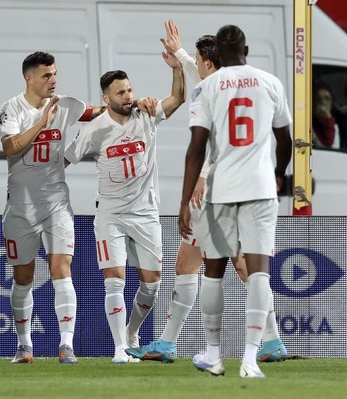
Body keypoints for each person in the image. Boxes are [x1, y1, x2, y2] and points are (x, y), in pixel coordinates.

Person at [127, 20, 287, 364]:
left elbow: (200, 145)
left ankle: (172, 344)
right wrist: (182, 53)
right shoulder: (245, 84)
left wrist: (197, 182)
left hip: (213, 192)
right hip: (251, 189)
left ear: (210, 64)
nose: (195, 66)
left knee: (200, 264)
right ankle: (272, 342)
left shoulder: (209, 90)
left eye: (199, 60)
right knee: (236, 265)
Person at [179, 24, 292, 378]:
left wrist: (184, 201)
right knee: (258, 270)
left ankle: (213, 354)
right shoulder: (270, 81)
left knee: (212, 272)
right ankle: (250, 359)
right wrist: (279, 172)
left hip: (221, 191)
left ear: (220, 55)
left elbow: (196, 147)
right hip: (259, 188)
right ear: (246, 48)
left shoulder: (207, 87)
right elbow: (285, 139)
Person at [64, 46, 186, 363]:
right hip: (111, 215)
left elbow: (177, 99)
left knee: (152, 286)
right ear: (107, 99)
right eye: (121, 92)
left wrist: (176, 67)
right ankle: (119, 349)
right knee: (114, 280)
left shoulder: (146, 114)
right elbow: (64, 159)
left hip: (146, 213)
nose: (128, 96)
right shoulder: (95, 129)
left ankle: (131, 333)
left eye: (129, 89)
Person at [0, 51, 107, 365]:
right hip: (21, 208)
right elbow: (10, 147)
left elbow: (98, 111)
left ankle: (67, 346)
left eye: (55, 74)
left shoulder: (66, 105)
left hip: (57, 204)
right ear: (28, 78)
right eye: (46, 75)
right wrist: (42, 123)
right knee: (23, 278)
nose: (53, 80)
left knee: (62, 270)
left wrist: (133, 104)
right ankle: (25, 346)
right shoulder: (12, 109)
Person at [312, 82, 347, 151]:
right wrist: (328, 119)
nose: (323, 102)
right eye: (319, 99)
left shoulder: (341, 124)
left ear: (331, 104)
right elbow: (327, 146)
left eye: (327, 98)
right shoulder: (308, 125)